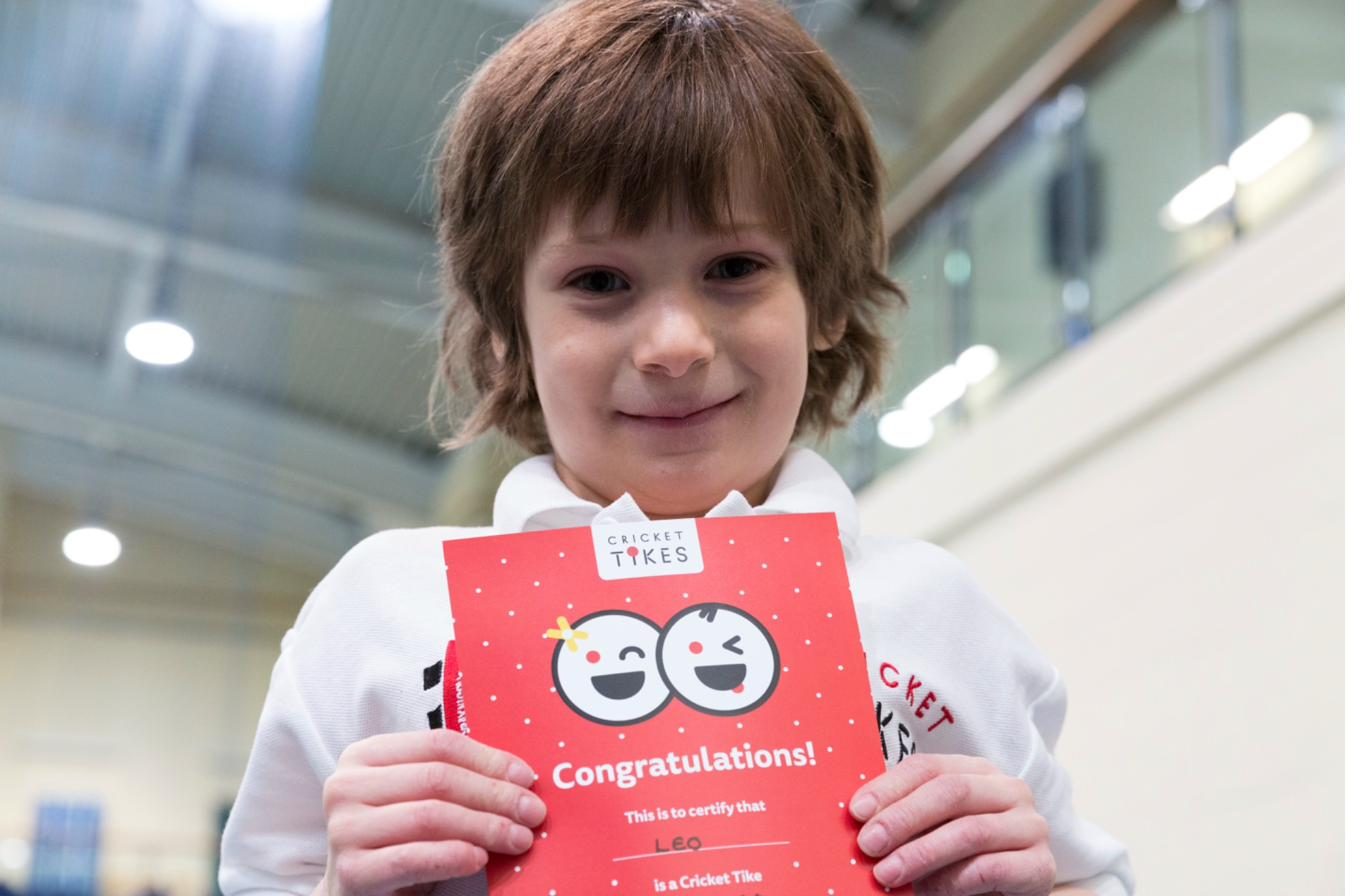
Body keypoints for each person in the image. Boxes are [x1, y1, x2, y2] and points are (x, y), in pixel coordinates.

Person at [219, 1, 1134, 894]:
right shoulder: (381, 612)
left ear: (825, 300)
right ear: (507, 326)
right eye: (600, 281)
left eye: (734, 269)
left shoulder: (937, 616)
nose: (674, 344)